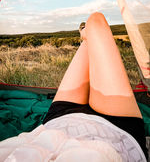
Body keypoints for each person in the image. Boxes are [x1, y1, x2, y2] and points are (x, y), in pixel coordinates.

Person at [0, 12, 148, 161]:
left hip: (60, 120)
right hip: (116, 132)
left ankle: (85, 37)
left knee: (94, 26)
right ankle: (85, 35)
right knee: (96, 21)